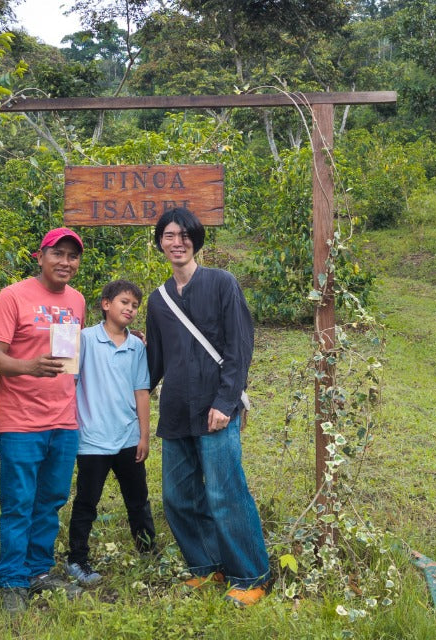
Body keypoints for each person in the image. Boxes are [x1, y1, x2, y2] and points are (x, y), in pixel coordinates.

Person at [145, 207, 272, 607]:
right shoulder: (158, 299)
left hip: (216, 409)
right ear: (160, 242)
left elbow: (239, 347)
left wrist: (226, 402)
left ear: (196, 241)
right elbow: (154, 363)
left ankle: (251, 575)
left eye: (184, 235)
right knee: (177, 496)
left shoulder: (222, 283)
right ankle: (207, 566)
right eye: (169, 235)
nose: (177, 242)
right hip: (176, 411)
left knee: (224, 493)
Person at [0, 227, 87, 613]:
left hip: (63, 419)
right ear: (40, 256)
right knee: (18, 502)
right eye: (57, 254)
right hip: (20, 420)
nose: (65, 262)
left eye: (72, 256)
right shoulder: (12, 297)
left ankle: (39, 571)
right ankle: (12, 580)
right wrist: (30, 366)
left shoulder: (76, 301)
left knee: (51, 500)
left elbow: (70, 359)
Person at [66, 279, 156, 586]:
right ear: (106, 304)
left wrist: (144, 436)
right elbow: (67, 381)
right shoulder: (86, 339)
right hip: (91, 438)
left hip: (128, 437)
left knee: (138, 499)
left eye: (134, 306)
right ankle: (77, 559)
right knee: (86, 501)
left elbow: (141, 391)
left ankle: (147, 551)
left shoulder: (135, 347)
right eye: (124, 303)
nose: (129, 309)